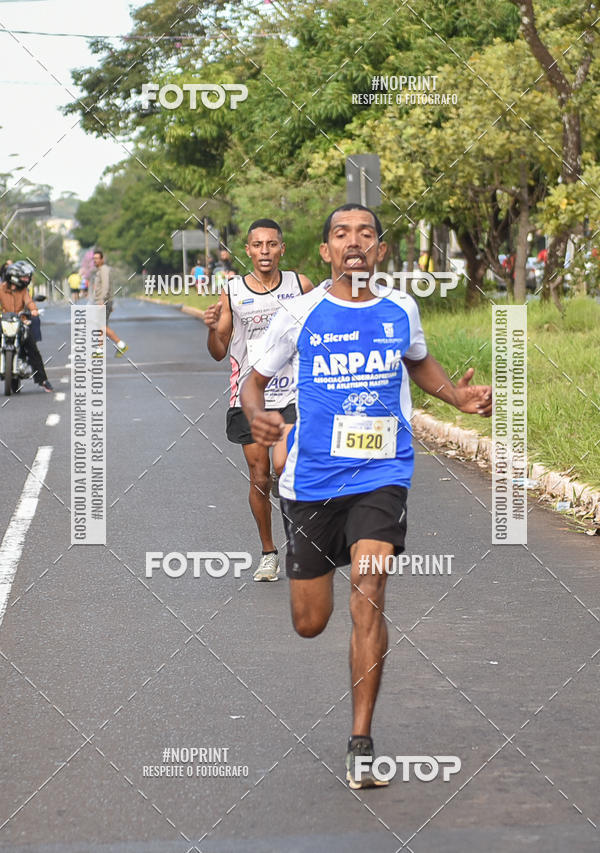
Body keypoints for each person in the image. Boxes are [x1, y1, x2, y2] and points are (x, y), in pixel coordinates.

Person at [241, 204, 492, 787]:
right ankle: (311, 577)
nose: (354, 243)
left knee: (369, 591)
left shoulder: (400, 308)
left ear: (379, 250)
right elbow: (254, 383)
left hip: (383, 474)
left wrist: (457, 398)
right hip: (312, 482)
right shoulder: (300, 314)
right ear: (326, 251)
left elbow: (420, 362)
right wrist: (258, 418)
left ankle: (361, 742)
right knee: (310, 621)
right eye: (340, 235)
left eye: (366, 235)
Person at [204, 219, 313, 581]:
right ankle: (269, 552)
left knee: (285, 468)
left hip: (291, 391)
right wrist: (211, 328)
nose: (264, 251)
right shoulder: (232, 291)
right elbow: (219, 352)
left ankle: (300, 537)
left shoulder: (300, 286)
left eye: (271, 244)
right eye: (257, 245)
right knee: (260, 476)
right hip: (248, 396)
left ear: (282, 248)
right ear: (247, 250)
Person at [0, 261, 53, 392]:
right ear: (14, 277)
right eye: (24, 277)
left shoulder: (23, 291)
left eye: (27, 277)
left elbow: (29, 302)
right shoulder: (1, 289)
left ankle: (43, 380)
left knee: (33, 349)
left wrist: (34, 310)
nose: (26, 279)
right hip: (3, 323)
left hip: (20, 322)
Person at [92, 250, 128, 357]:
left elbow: (106, 286)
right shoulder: (100, 270)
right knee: (101, 325)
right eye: (94, 258)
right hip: (105, 301)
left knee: (102, 326)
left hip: (104, 301)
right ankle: (99, 350)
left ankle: (121, 344)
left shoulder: (104, 270)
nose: (95, 260)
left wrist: (103, 301)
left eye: (97, 258)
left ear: (102, 259)